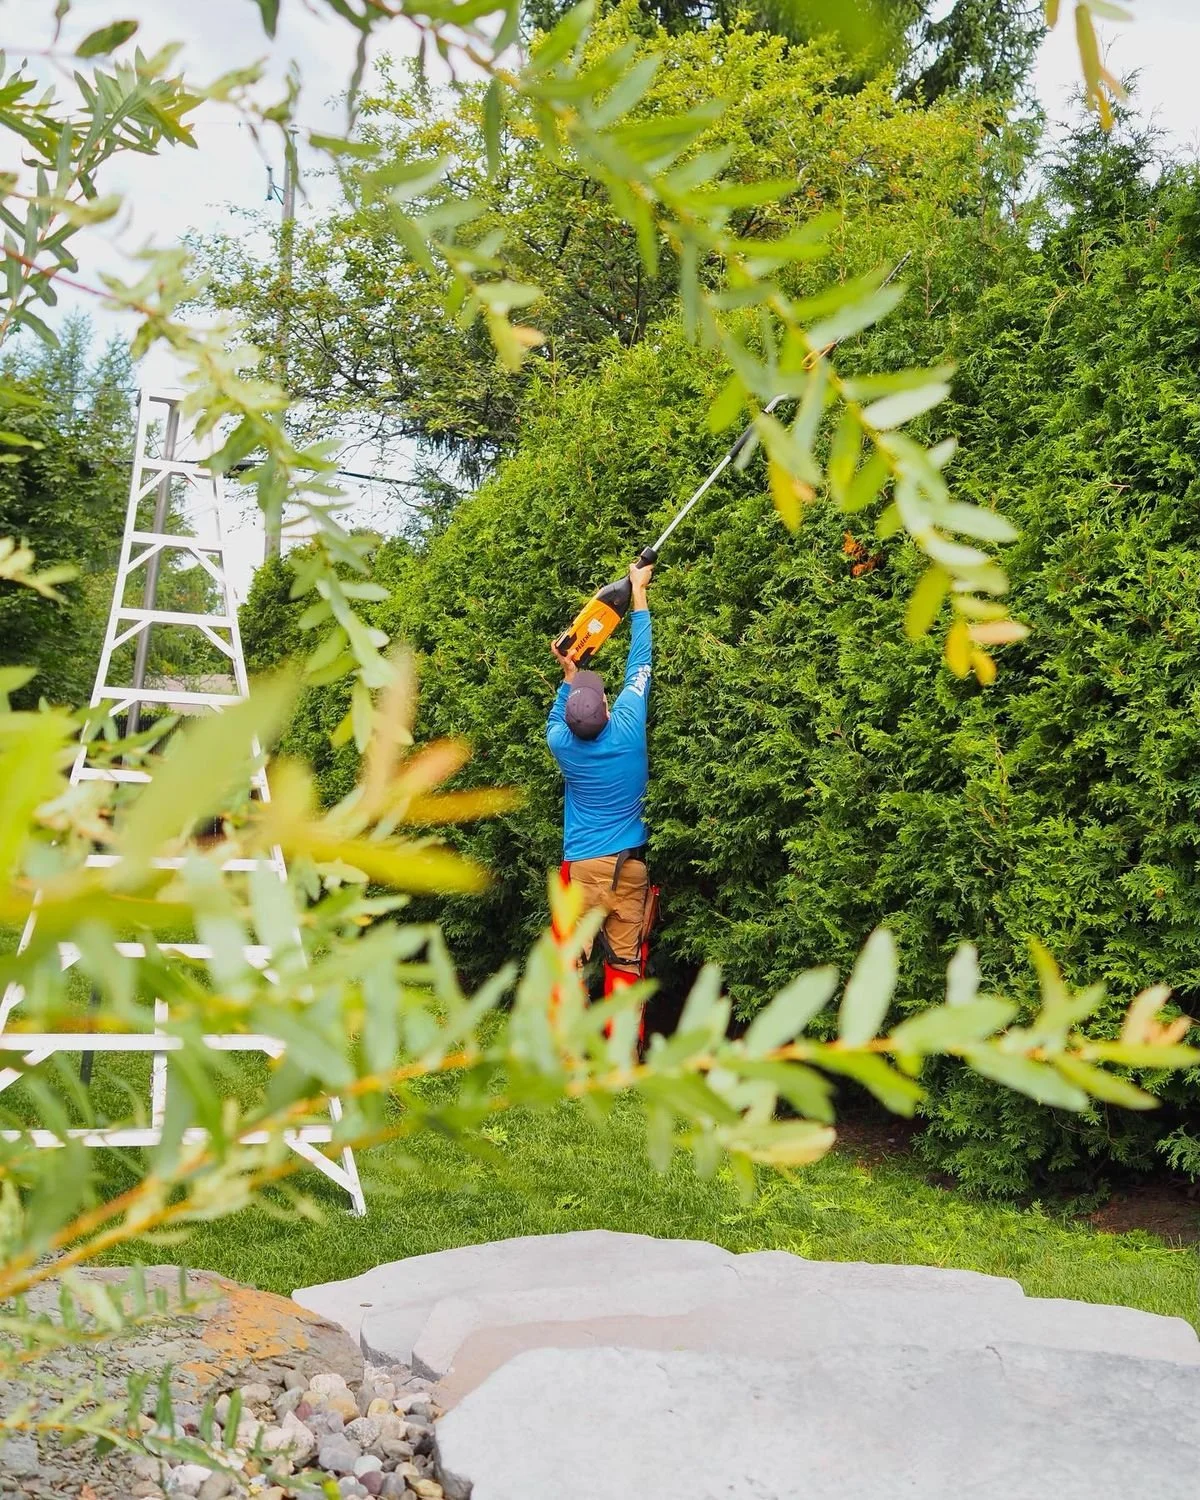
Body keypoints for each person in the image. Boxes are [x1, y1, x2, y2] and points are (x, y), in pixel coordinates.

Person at [547, 560, 655, 998]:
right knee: (626, 968)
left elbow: (561, 710)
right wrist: (639, 591)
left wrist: (569, 675)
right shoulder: (628, 726)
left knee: (567, 966)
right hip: (630, 869)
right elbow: (640, 664)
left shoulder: (561, 743)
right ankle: (622, 1062)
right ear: (607, 708)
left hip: (584, 871)